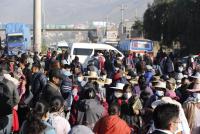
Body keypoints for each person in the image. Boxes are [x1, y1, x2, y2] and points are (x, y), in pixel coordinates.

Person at [0, 67, 20, 134]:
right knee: (7, 130)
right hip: (8, 112)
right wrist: (10, 105)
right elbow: (17, 99)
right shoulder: (11, 83)